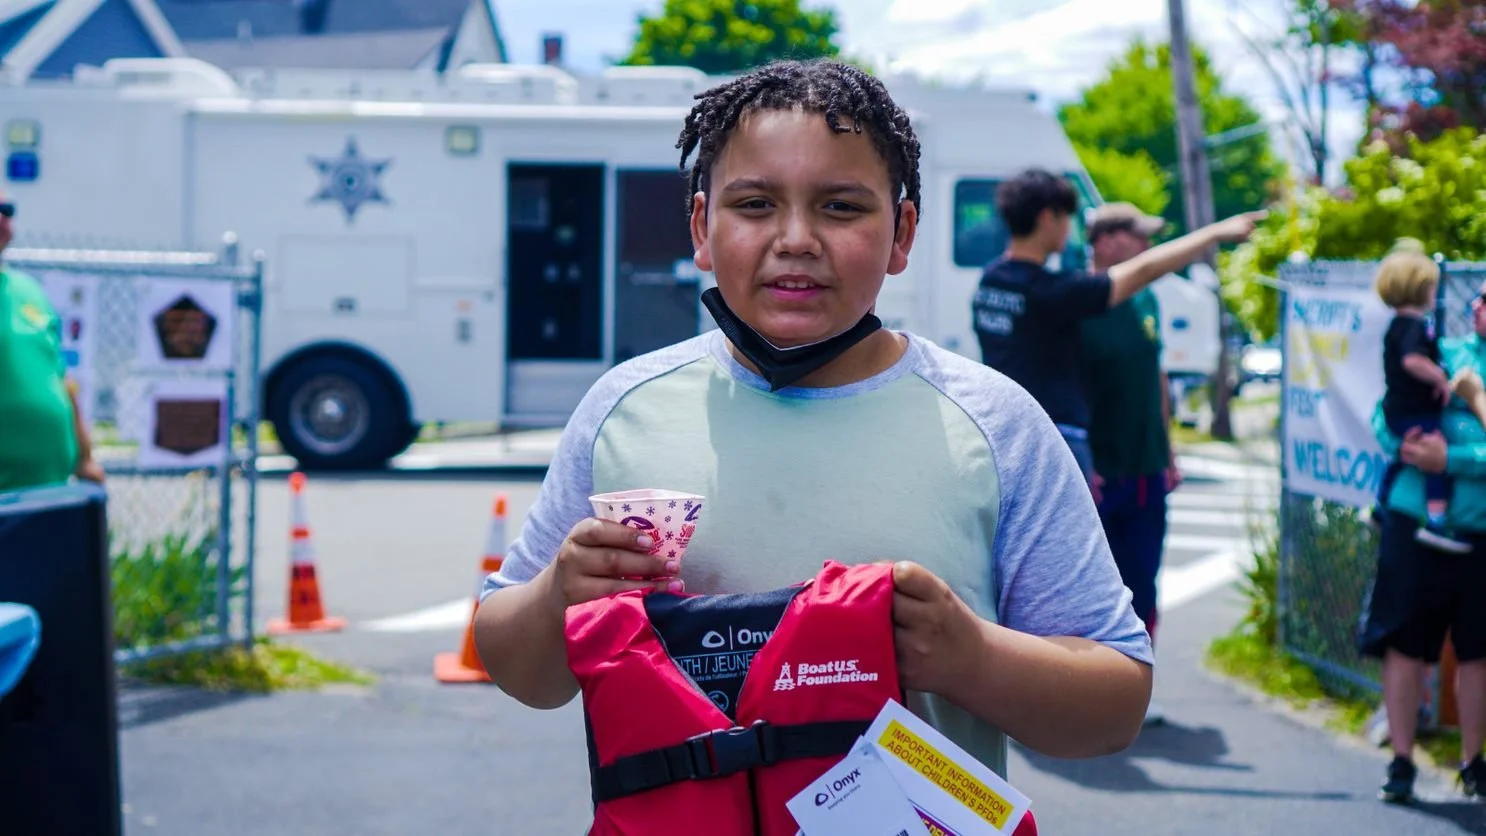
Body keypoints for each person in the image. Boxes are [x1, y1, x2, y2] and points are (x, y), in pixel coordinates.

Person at [473, 59, 1154, 790]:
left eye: (840, 207)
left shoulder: (995, 426)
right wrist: (558, 594)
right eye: (755, 204)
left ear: (902, 234)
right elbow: (517, 664)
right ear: (701, 227)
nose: (796, 238)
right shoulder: (622, 411)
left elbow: (1114, 702)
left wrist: (970, 658)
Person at [972, 169, 1264, 479]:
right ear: (1047, 218)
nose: (1069, 229)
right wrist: (1215, 234)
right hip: (1055, 439)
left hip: (1005, 433)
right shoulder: (1051, 291)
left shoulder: (991, 282)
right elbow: (1143, 271)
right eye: (1066, 218)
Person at [1363, 279, 1486, 803]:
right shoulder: (1443, 351)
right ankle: (1402, 760)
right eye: (1480, 296)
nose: (1480, 305)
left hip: (1478, 531)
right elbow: (1384, 414)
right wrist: (1405, 444)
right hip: (1412, 523)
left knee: (1478, 651)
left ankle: (1473, 762)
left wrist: (1451, 460)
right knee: (1405, 644)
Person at [1077, 203, 1183, 727]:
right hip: (1098, 474)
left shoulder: (1146, 299)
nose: (1147, 247)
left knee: (1144, 582)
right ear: (1107, 241)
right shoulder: (1079, 303)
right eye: (1138, 236)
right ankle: (1078, 691)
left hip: (1146, 470)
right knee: (1089, 590)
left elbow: (1156, 376)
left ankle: (1136, 691)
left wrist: (1168, 451)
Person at [0, 193, 103, 492]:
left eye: (7, 209)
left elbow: (59, 377)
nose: (2, 218)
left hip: (48, 483)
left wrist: (85, 457)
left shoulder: (28, 290)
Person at [1372, 250, 1472, 553]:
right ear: (1419, 289)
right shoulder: (1415, 327)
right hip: (1415, 412)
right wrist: (1440, 378)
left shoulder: (1396, 326)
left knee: (1402, 457)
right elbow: (1412, 360)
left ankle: (1379, 505)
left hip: (1397, 412)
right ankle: (1436, 520)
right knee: (1432, 457)